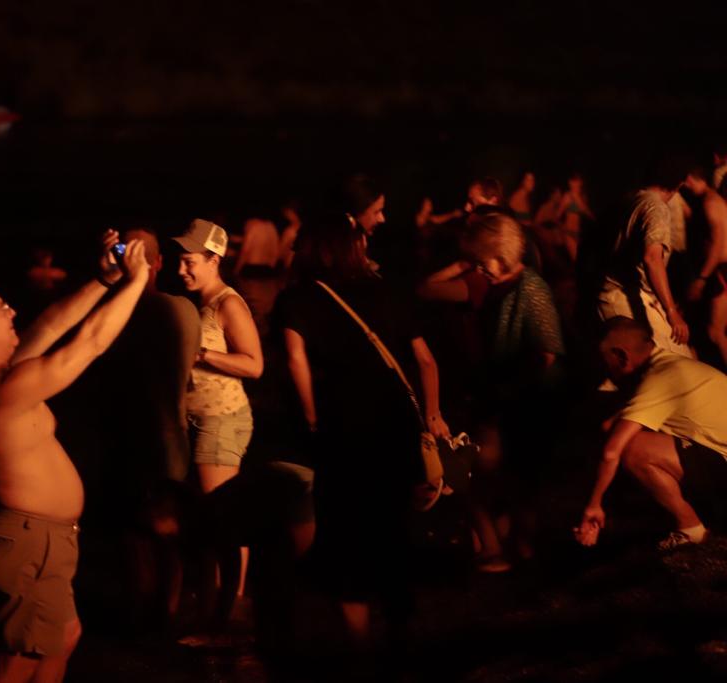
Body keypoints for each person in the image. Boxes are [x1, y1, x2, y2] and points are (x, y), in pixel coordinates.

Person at [0, 232, 149, 683]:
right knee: (17, 659)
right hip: (30, 541)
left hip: (44, 538)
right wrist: (137, 281)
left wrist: (102, 280)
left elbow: (52, 327)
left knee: (64, 636)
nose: (12, 311)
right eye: (1, 309)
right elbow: (88, 344)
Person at [279, 213, 450, 650]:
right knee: (392, 529)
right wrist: (431, 414)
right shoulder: (387, 291)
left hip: (344, 430)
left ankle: (359, 648)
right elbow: (427, 360)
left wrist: (312, 418)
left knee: (345, 536)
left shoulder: (298, 299)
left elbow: (296, 361)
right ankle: (401, 633)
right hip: (395, 427)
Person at [418, 213, 565, 569]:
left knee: (483, 481)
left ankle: (499, 552)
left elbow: (546, 353)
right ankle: (514, 550)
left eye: (482, 261)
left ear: (500, 256)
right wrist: (465, 261)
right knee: (503, 481)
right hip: (504, 399)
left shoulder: (530, 288)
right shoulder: (495, 286)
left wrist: (509, 392)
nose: (478, 269)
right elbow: (425, 289)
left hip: (519, 403)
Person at [94, 227, 201, 629]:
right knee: (168, 530)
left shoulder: (113, 313)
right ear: (158, 263)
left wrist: (104, 280)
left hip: (126, 434)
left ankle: (140, 614)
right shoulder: (184, 310)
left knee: (133, 531)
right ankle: (167, 613)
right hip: (172, 433)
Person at [174, 218, 263, 628]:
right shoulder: (199, 303)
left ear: (214, 259)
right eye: (179, 261)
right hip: (199, 420)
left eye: (190, 261)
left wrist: (201, 355)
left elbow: (254, 364)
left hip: (223, 419)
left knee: (221, 516)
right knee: (210, 515)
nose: (182, 270)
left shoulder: (229, 303)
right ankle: (217, 602)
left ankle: (233, 606)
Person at [577, 317, 727, 550]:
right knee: (625, 435)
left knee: (633, 448)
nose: (606, 373)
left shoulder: (660, 378)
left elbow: (611, 452)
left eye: (605, 362)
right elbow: (610, 424)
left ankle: (691, 528)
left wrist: (594, 505)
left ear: (621, 356)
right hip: (718, 455)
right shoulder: (671, 365)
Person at [597, 169, 693, 358]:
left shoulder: (631, 199)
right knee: (672, 359)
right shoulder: (656, 208)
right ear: (679, 185)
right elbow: (652, 258)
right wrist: (671, 311)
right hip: (626, 296)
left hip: (614, 294)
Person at [682, 168, 727, 368]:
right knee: (710, 330)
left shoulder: (710, 203)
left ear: (690, 179)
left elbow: (719, 243)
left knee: (715, 332)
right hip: (718, 271)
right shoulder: (708, 201)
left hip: (721, 271)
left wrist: (702, 278)